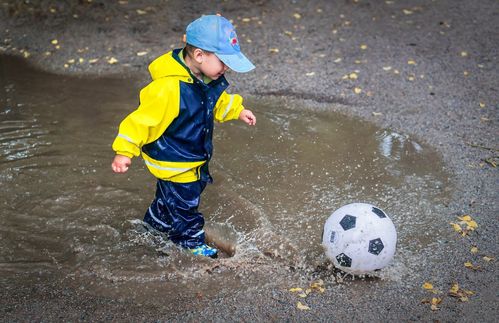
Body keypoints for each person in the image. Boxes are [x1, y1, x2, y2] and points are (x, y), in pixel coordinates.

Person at [111, 15, 256, 258]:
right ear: (200, 55)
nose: (227, 68)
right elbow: (140, 120)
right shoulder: (168, 88)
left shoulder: (205, 79)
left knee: (168, 199)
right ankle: (189, 243)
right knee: (186, 207)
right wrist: (124, 151)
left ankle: (154, 226)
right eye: (223, 61)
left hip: (188, 157)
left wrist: (238, 111)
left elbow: (216, 103)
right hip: (176, 161)